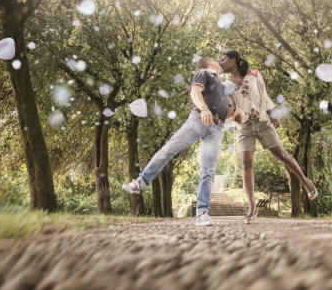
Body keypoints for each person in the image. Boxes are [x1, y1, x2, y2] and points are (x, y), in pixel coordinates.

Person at [123, 56, 245, 226]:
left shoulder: (222, 87)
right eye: (217, 60)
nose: (220, 62)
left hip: (217, 128)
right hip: (198, 119)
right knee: (169, 149)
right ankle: (141, 181)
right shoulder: (204, 73)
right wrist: (203, 108)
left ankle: (202, 213)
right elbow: (195, 92)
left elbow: (225, 113)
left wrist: (237, 113)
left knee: (209, 170)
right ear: (209, 62)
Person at [220, 50, 318, 223]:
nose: (221, 63)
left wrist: (273, 114)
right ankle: (252, 206)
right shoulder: (225, 83)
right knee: (246, 163)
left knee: (282, 156)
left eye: (223, 60)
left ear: (233, 60)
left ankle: (305, 181)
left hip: (263, 121)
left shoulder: (254, 74)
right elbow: (228, 105)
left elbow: (264, 96)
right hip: (243, 126)